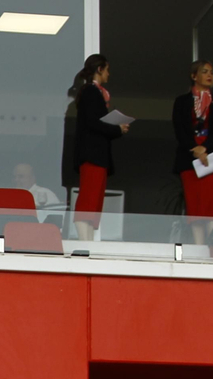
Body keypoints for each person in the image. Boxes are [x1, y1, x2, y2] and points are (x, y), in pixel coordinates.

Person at [67, 53, 128, 242]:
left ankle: (89, 240)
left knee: (94, 201)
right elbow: (94, 123)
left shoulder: (93, 93)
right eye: (107, 70)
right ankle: (85, 242)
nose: (109, 74)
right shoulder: (91, 92)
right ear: (99, 69)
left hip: (97, 155)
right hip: (92, 154)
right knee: (88, 198)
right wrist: (117, 129)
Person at [173, 60, 213, 248]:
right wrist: (194, 148)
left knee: (211, 204)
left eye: (211, 72)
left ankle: (211, 249)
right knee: (195, 204)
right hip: (190, 158)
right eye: (205, 72)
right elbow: (179, 129)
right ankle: (199, 248)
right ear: (194, 76)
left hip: (211, 157)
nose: (210, 75)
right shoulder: (182, 101)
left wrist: (205, 148)